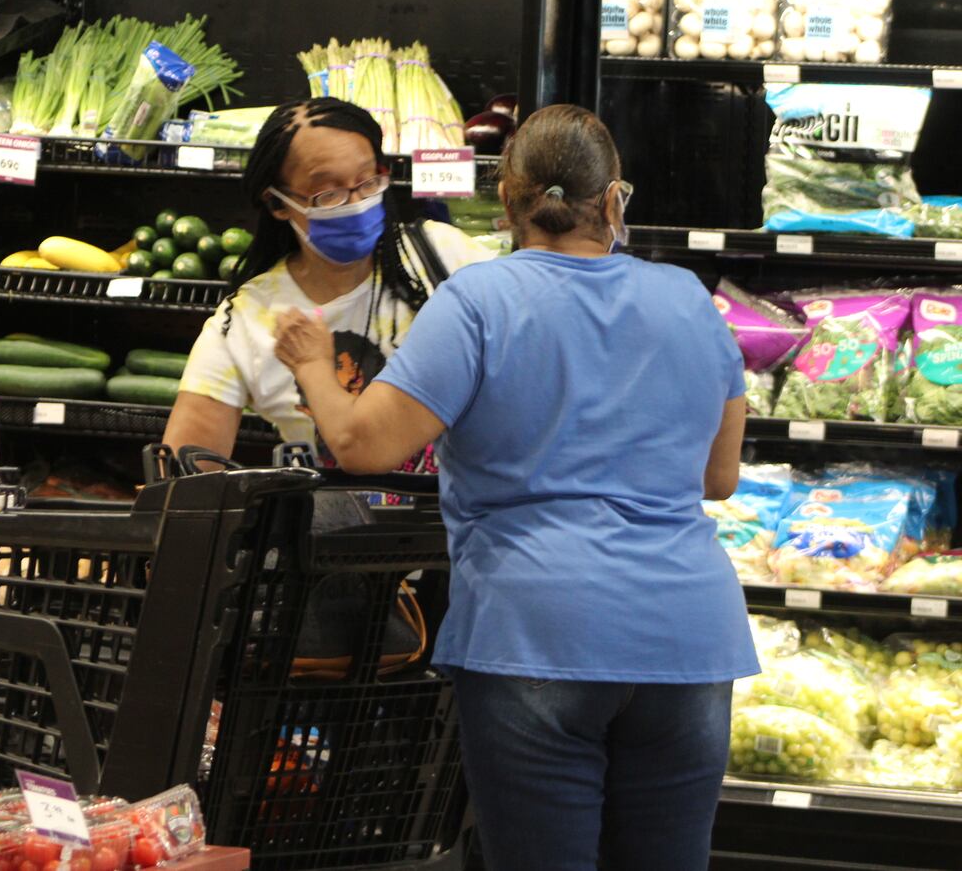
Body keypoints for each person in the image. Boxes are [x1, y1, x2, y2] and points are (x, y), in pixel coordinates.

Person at [272, 104, 755, 871]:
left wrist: (311, 368)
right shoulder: (691, 301)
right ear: (614, 199)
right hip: (687, 636)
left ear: (507, 203)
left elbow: (363, 442)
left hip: (536, 629)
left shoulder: (479, 301)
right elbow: (718, 476)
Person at [163, 97, 492, 466]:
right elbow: (186, 471)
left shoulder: (447, 258)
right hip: (324, 521)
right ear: (278, 203)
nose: (356, 203)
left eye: (368, 181)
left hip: (454, 521)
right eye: (329, 194)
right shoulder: (247, 319)